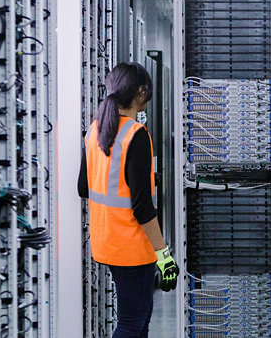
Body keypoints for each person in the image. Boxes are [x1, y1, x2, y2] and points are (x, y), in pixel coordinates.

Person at [77, 62, 178, 338]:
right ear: (141, 92)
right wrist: (164, 256)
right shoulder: (136, 134)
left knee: (139, 323)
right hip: (132, 248)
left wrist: (142, 179)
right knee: (132, 325)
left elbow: (84, 188)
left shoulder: (94, 130)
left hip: (106, 242)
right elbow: (142, 208)